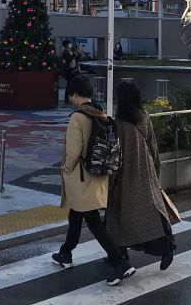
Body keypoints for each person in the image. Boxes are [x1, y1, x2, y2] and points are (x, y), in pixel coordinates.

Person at [52, 75, 136, 286]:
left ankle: (120, 262)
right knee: (76, 215)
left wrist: (65, 168)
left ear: (77, 95)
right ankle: (65, 253)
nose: (71, 98)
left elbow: (73, 152)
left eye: (71, 95)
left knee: (93, 222)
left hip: (81, 177)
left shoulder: (77, 118)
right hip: (99, 174)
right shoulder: (100, 112)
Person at [106, 81, 176, 271]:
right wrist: (155, 172)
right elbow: (153, 146)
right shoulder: (143, 116)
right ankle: (167, 247)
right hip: (146, 172)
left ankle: (119, 251)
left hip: (125, 177)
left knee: (118, 214)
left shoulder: (118, 123)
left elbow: (115, 154)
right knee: (153, 213)